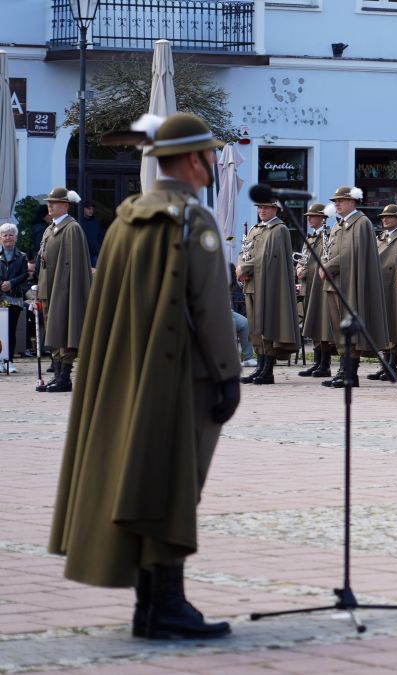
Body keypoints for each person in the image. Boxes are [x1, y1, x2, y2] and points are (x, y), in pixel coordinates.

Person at [49, 112, 241, 640]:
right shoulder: (193, 221)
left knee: (142, 477)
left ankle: (149, 605)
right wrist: (228, 376)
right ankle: (168, 606)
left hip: (130, 374)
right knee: (176, 485)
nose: (212, 162)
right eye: (209, 154)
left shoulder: (127, 218)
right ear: (194, 159)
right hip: (184, 378)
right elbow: (211, 309)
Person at [319, 186, 387, 389]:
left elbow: (353, 251)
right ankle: (343, 369)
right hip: (335, 283)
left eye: (341, 200)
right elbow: (329, 250)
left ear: (352, 201)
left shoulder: (361, 222)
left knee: (350, 330)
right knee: (339, 329)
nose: (337, 204)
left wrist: (329, 266)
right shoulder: (338, 225)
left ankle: (350, 373)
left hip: (350, 284)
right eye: (335, 201)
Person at [34, 187, 92, 393]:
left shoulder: (71, 228)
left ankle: (65, 377)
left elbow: (73, 265)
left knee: (65, 330)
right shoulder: (50, 229)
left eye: (54, 202)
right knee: (53, 332)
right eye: (49, 202)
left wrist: (67, 291)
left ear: (65, 205)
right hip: (48, 289)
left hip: (64, 291)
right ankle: (58, 375)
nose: (50, 206)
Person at [236, 198, 299, 385]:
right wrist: (241, 266)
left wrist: (244, 268)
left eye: (266, 208)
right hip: (252, 283)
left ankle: (268, 370)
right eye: (260, 207)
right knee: (255, 327)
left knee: (267, 326)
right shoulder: (255, 229)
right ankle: (260, 366)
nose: (262, 211)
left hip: (268, 285)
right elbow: (244, 250)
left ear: (275, 209)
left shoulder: (279, 229)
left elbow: (268, 257)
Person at [369, 203, 397, 381]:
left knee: (394, 326)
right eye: (383, 217)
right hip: (380, 285)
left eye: (389, 217)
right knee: (383, 325)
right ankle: (384, 365)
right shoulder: (380, 238)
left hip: (394, 286)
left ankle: (392, 365)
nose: (385, 220)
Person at [296, 203, 336, 377]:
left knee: (322, 325)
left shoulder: (329, 236)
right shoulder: (310, 237)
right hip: (308, 285)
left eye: (312, 216)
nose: (309, 219)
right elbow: (303, 258)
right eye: (308, 216)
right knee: (311, 322)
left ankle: (325, 364)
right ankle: (317, 362)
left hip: (320, 286)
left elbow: (329, 259)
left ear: (322, 218)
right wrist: (299, 269)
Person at [1, 222, 30, 369]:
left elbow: (25, 274)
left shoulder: (22, 256)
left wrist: (11, 283)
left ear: (16, 237)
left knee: (10, 330)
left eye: (11, 235)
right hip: (0, 296)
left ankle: (9, 361)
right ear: (0, 237)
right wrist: (2, 284)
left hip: (14, 298)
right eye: (5, 235)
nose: (8, 238)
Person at [78, 200, 103, 267]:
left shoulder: (96, 223)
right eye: (89, 208)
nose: (91, 211)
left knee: (96, 273)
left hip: (94, 256)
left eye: (92, 209)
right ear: (83, 209)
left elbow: (100, 237)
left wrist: (98, 249)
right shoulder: (79, 222)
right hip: (82, 256)